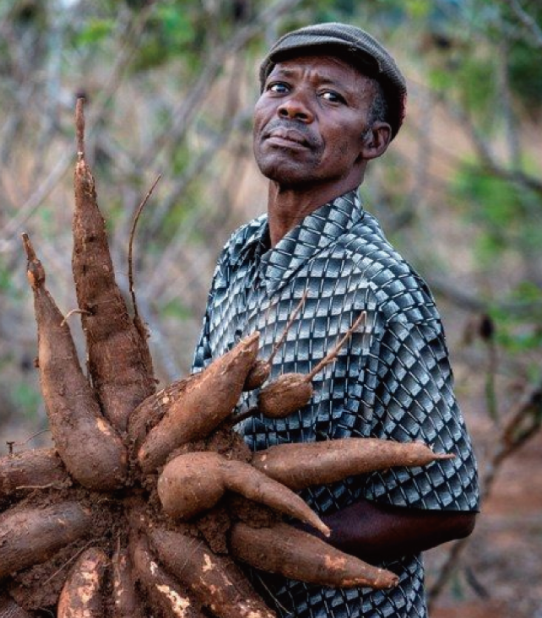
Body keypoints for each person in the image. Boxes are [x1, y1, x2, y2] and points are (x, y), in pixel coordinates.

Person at [190, 23, 480, 617]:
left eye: (330, 98)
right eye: (278, 88)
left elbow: (449, 504)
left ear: (372, 142)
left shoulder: (378, 288)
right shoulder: (240, 255)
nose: (293, 107)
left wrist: (271, 542)